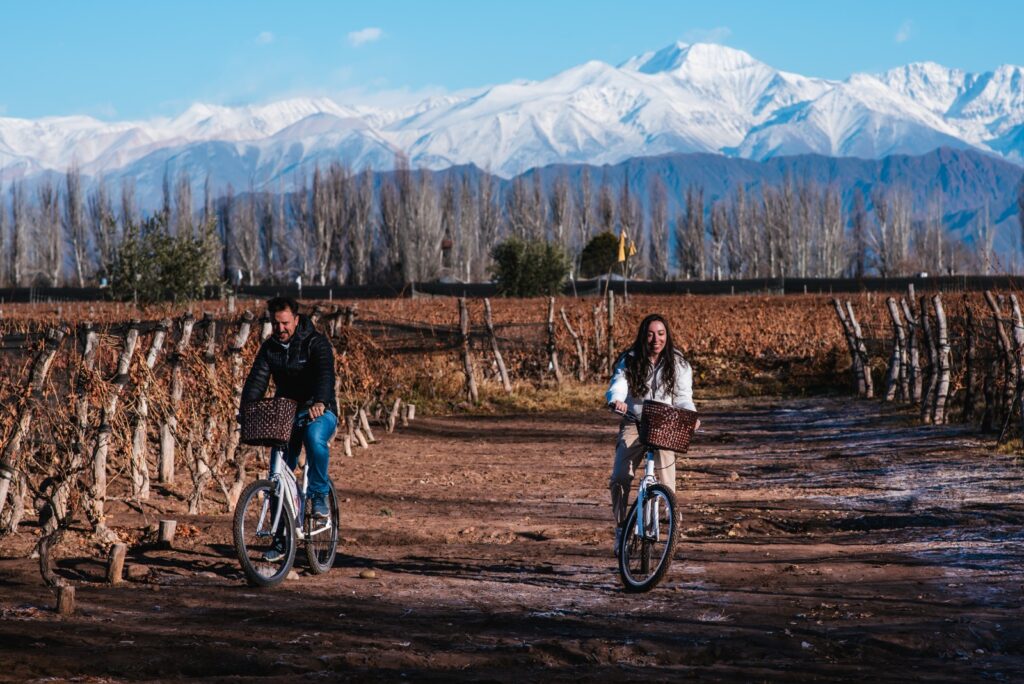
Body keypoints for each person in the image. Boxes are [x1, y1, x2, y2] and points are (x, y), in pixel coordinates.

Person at [242, 296, 337, 554]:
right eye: (276, 324)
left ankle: (318, 496)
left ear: (296, 320)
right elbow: (256, 381)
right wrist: (246, 410)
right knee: (278, 471)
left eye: (285, 323)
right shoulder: (270, 348)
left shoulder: (315, 343)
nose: (280, 329)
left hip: (320, 409)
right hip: (286, 414)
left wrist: (320, 400)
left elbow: (325, 374)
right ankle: (281, 540)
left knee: (315, 438)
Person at [605, 313, 697, 555]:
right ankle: (621, 528)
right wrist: (616, 400)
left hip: (665, 424)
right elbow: (619, 384)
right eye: (650, 334)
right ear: (643, 337)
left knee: (668, 483)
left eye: (661, 333)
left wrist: (691, 416)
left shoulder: (678, 364)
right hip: (634, 421)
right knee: (619, 478)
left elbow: (683, 398)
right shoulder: (630, 360)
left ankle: (672, 525)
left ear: (667, 336)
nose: (656, 339)